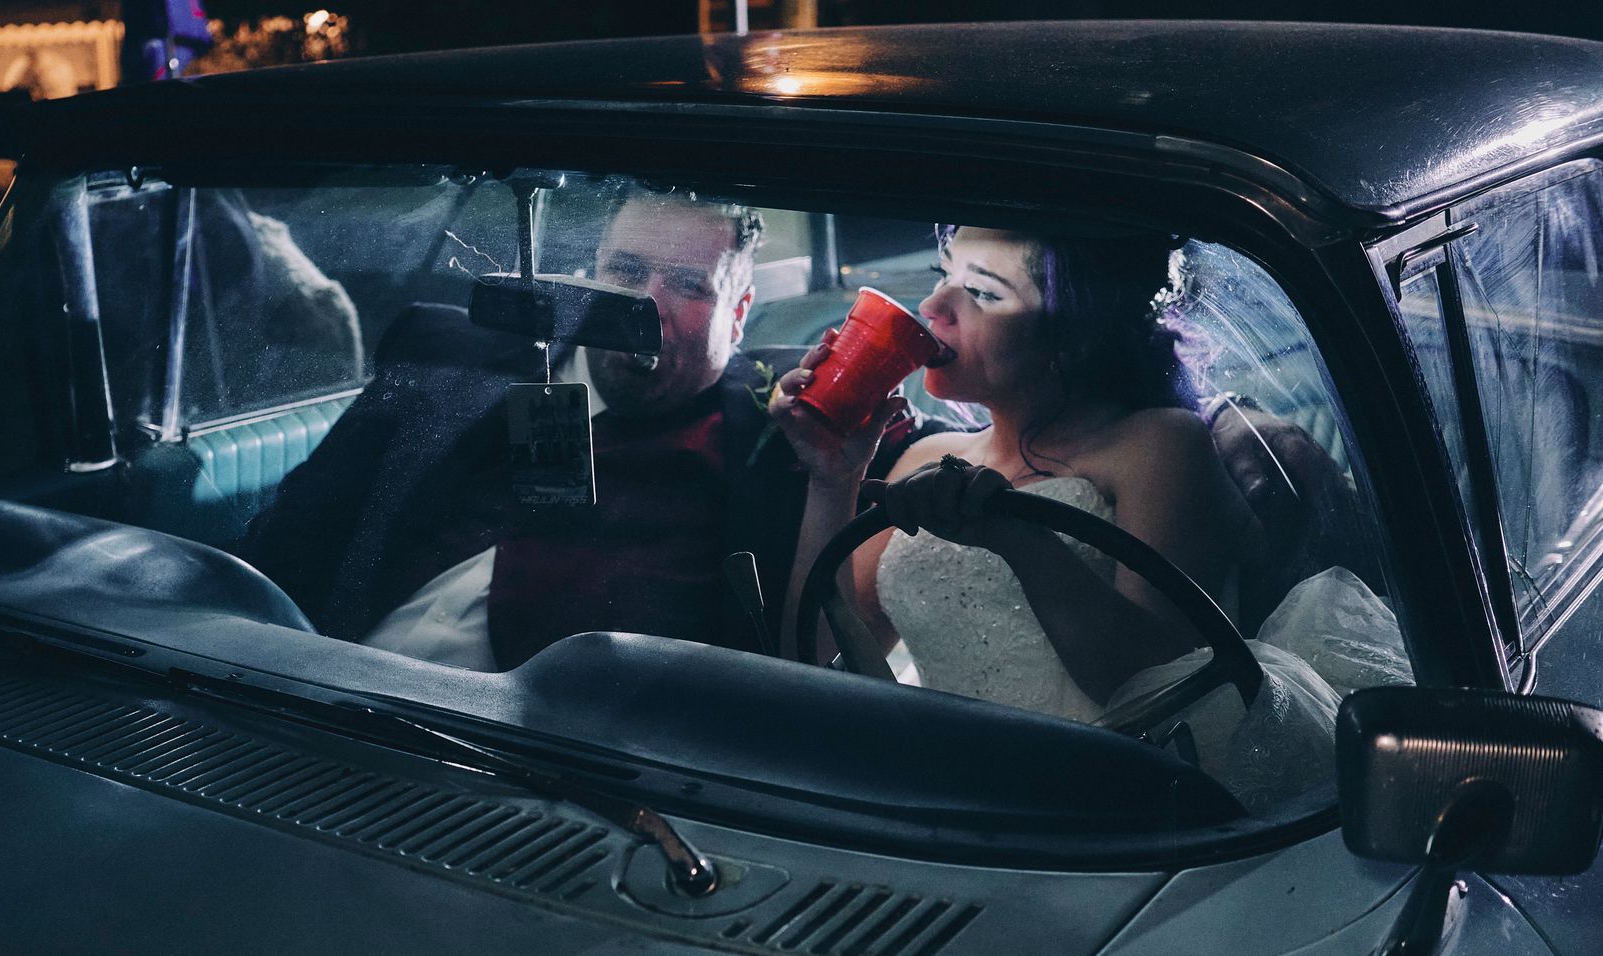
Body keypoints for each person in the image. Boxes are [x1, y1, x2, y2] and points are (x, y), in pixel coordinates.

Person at [244, 189, 922, 669]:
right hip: (325, 696)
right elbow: (293, 536)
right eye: (625, 271)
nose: (643, 304)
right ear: (590, 273)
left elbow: (809, 656)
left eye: (688, 285)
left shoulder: (779, 434)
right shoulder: (446, 355)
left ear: (739, 312)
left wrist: (841, 466)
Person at [770, 225, 1258, 721]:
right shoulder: (926, 457)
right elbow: (816, 661)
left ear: (1074, 333)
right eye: (943, 274)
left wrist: (1023, 541)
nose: (932, 306)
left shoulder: (1158, 443)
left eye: (982, 293)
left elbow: (1162, 684)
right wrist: (834, 476)